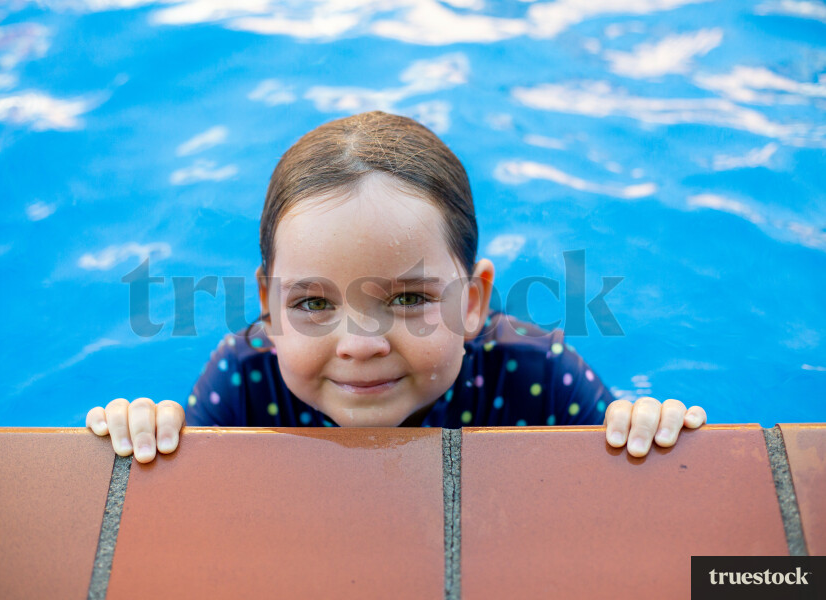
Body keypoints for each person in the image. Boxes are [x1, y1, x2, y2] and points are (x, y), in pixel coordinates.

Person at [86, 110, 706, 463]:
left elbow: (621, 454)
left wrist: (643, 427)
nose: (359, 344)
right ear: (269, 308)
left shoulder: (533, 373)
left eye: (409, 299)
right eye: (311, 303)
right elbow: (185, 514)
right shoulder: (245, 380)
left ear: (472, 302)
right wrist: (151, 433)